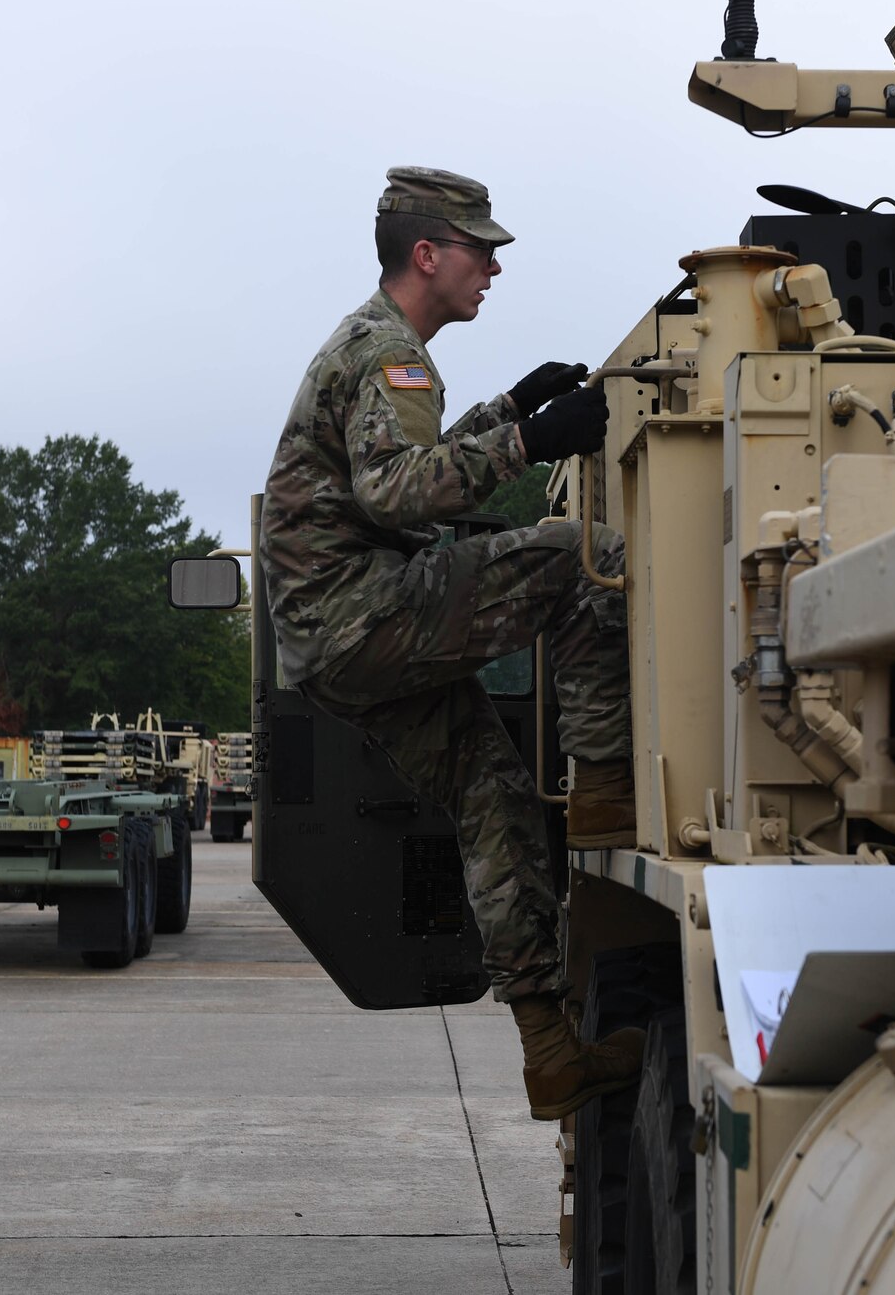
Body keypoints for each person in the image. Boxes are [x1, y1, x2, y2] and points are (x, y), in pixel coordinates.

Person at [257, 166, 641, 1121]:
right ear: (427, 255)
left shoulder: (377, 351)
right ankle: (603, 794)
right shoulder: (393, 355)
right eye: (482, 251)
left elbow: (386, 478)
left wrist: (509, 410)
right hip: (364, 612)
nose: (494, 270)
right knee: (579, 559)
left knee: (493, 793)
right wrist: (531, 444)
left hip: (336, 639)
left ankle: (552, 1050)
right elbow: (396, 496)